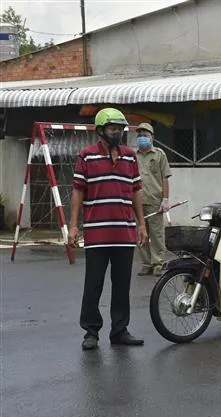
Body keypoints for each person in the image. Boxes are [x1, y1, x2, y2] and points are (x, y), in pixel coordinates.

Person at [68, 108, 148, 351]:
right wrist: (73, 226)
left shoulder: (130, 156)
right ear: (100, 130)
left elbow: (136, 191)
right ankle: (91, 332)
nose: (118, 133)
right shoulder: (87, 156)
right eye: (113, 129)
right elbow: (78, 190)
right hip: (96, 233)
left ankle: (119, 330)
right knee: (93, 285)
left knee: (122, 285)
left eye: (120, 129)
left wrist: (141, 224)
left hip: (124, 233)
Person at [134, 122, 172, 277]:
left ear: (152, 137)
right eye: (140, 135)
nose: (142, 138)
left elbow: (164, 178)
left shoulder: (159, 154)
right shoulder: (132, 155)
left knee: (156, 234)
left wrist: (165, 199)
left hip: (155, 200)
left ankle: (158, 263)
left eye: (145, 135)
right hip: (137, 201)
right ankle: (146, 263)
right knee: (141, 234)